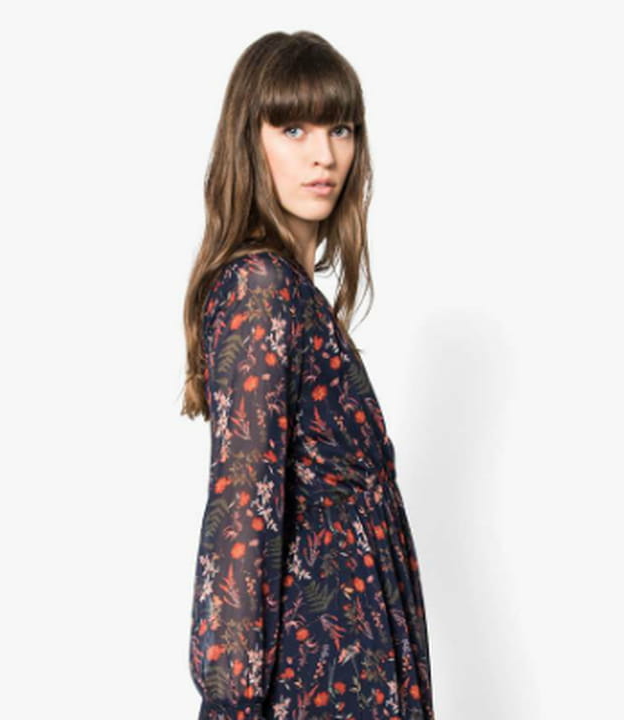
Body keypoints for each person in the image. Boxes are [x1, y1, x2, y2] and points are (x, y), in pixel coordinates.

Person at [180, 31, 435, 720]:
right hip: (315, 671)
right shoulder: (259, 288)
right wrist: (231, 702)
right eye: (293, 129)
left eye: (340, 128)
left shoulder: (296, 294)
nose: (324, 154)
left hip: (357, 658)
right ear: (250, 141)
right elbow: (243, 507)